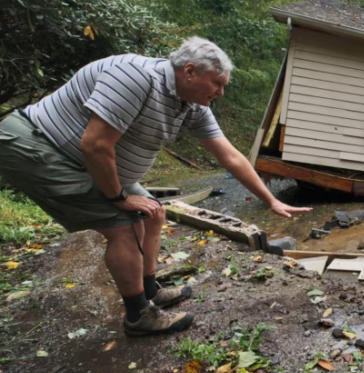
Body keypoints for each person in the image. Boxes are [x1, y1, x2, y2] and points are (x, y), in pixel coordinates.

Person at [0, 37, 311, 336]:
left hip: (84, 159)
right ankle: (138, 316)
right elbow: (95, 145)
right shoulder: (135, 78)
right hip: (38, 146)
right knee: (125, 224)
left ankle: (150, 290)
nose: (221, 92)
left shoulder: (192, 107)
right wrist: (118, 197)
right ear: (190, 71)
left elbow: (231, 157)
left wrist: (271, 200)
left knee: (154, 213)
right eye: (217, 83)